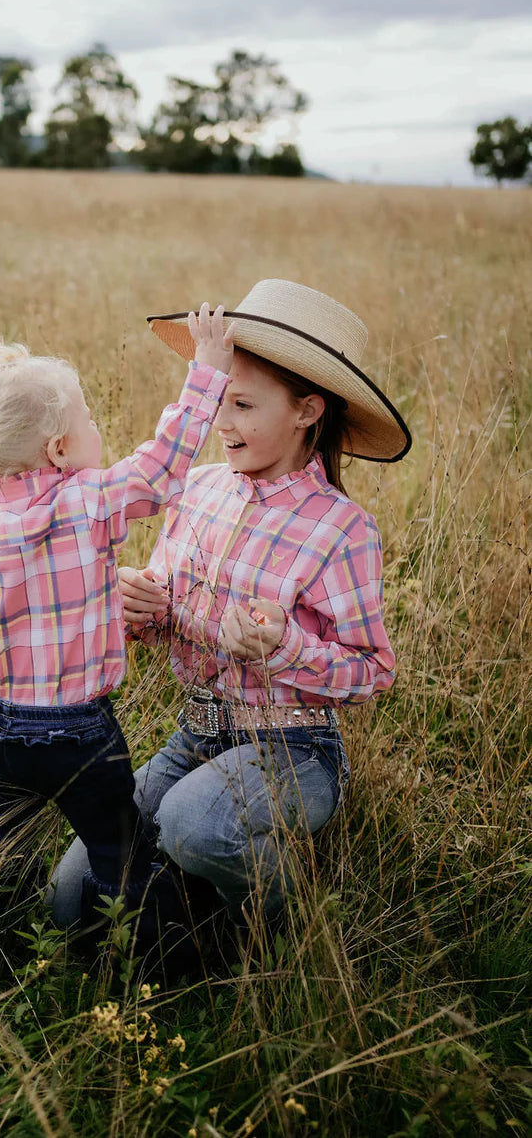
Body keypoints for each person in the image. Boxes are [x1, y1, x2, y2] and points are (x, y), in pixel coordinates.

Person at [49, 278, 411, 945]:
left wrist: (285, 649)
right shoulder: (198, 487)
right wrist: (143, 603)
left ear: (307, 410)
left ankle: (289, 916)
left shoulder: (341, 530)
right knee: (73, 897)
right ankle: (197, 904)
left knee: (194, 823)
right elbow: (164, 607)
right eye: (220, 400)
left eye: (242, 404)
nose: (222, 422)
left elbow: (373, 672)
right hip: (197, 737)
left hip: (294, 749)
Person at [0, 305, 234, 928]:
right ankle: (154, 955)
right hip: (80, 735)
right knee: (121, 853)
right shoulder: (87, 501)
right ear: (59, 449)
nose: (97, 428)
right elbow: (162, 469)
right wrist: (206, 371)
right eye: (89, 420)